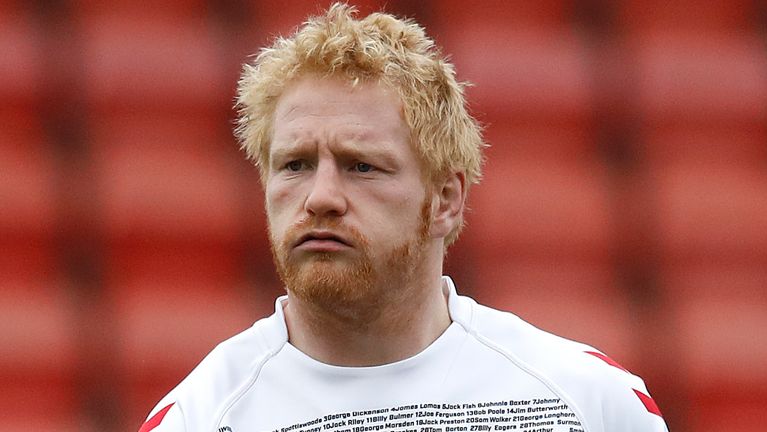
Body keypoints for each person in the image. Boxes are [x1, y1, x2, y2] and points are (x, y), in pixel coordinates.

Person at [139, 3, 668, 432]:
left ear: (445, 199)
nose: (321, 197)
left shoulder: (588, 404)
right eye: (294, 165)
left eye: (361, 166)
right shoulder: (200, 417)